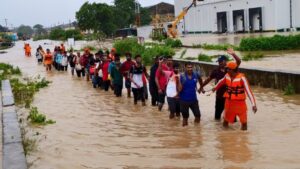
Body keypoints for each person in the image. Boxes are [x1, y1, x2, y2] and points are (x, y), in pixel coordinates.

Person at [212, 61, 257, 130]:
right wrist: (215, 88)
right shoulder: (227, 76)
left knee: (244, 123)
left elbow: (249, 92)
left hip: (240, 104)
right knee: (225, 121)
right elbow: (220, 82)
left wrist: (253, 105)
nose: (226, 70)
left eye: (227, 69)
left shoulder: (242, 78)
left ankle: (243, 138)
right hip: (229, 102)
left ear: (231, 70)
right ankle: (225, 135)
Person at [200, 48, 241, 120]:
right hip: (219, 97)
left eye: (221, 61)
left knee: (232, 118)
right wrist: (201, 87)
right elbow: (208, 79)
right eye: (218, 62)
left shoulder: (230, 69)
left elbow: (238, 61)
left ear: (225, 61)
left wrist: (233, 54)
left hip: (229, 97)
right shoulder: (216, 71)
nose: (219, 63)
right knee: (217, 118)